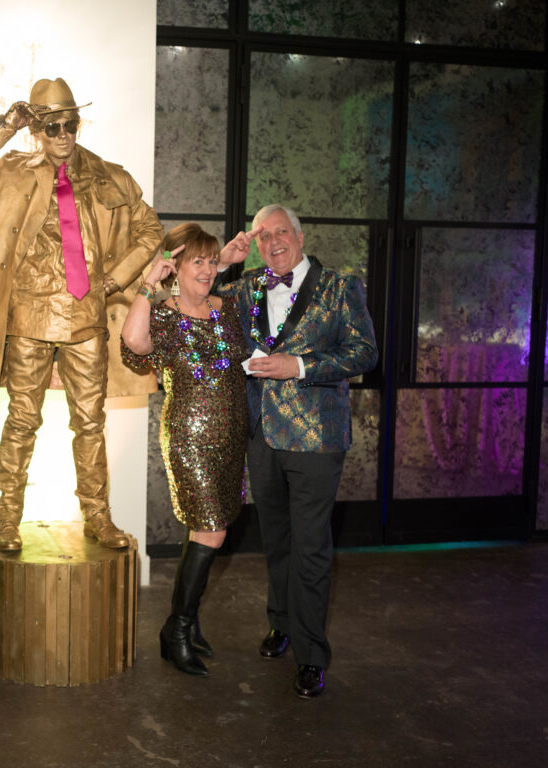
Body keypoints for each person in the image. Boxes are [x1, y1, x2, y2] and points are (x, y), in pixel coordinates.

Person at [0, 77, 163, 552]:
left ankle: (98, 516)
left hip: (87, 317)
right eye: (52, 126)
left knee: (91, 424)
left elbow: (150, 230)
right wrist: (4, 127)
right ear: (36, 130)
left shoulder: (110, 176)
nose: (63, 134)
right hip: (29, 314)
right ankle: (8, 519)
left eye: (70, 124)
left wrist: (113, 281)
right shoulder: (13, 170)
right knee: (22, 421)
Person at [216, 204, 378, 698]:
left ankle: (310, 654)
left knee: (310, 545)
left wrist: (301, 366)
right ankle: (281, 623)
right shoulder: (247, 287)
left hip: (316, 439)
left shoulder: (340, 286)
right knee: (278, 540)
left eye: (281, 232)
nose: (273, 242)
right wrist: (222, 263)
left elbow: (365, 352)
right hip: (262, 435)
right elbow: (197, 301)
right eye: (263, 236)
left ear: (301, 237)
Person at [120, 224, 248, 677]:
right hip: (190, 438)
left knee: (206, 531)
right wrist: (148, 284)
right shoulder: (164, 313)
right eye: (198, 261)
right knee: (211, 530)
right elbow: (134, 343)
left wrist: (222, 261)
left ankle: (187, 623)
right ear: (175, 266)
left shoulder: (226, 308)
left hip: (231, 436)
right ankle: (174, 632)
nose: (208, 270)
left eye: (212, 262)